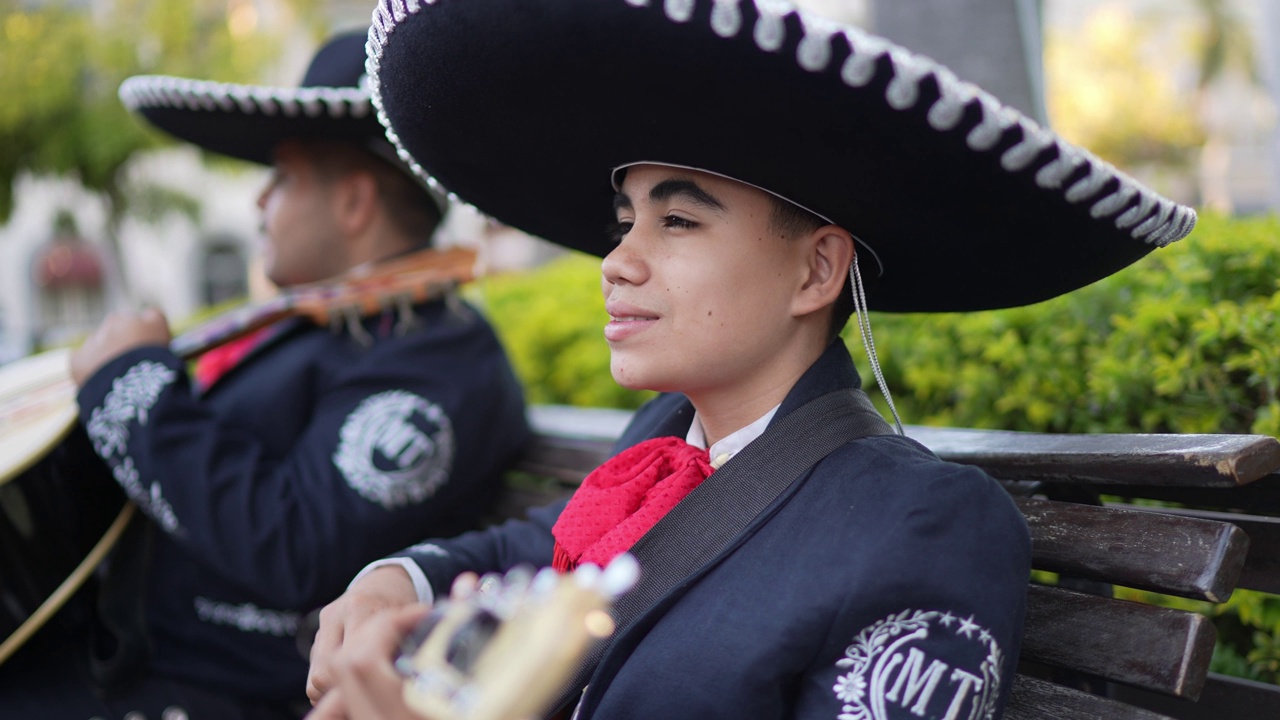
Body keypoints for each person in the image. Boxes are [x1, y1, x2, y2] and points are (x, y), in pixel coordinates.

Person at [306, 1, 1198, 718]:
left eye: (679, 220)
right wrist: (396, 578)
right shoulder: (667, 439)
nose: (618, 260)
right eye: (626, 224)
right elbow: (545, 545)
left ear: (816, 269)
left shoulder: (927, 526)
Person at [0, 30, 530, 720]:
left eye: (282, 178)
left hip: (217, 693)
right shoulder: (320, 324)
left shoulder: (439, 355)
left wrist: (130, 383)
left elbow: (293, 547)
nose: (258, 204)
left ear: (354, 203)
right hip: (126, 663)